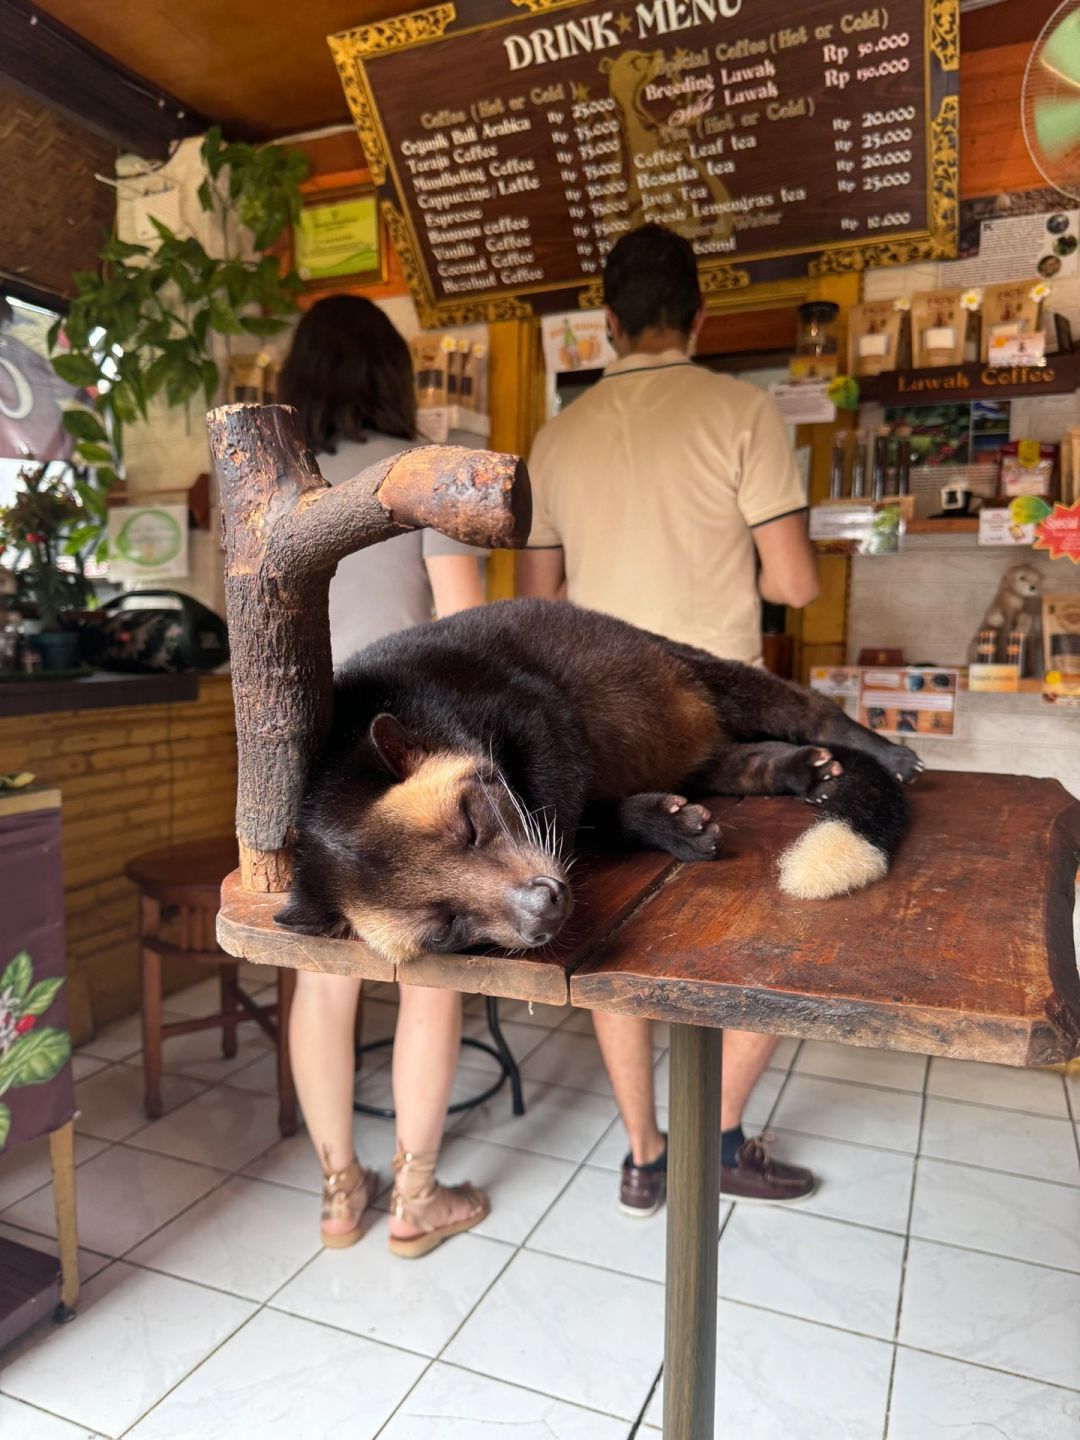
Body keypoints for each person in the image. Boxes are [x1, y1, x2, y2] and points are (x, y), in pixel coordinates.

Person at [518, 224, 819, 1214]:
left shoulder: (557, 438)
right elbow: (796, 584)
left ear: (605, 323)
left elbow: (537, 604)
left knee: (620, 938)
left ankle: (645, 1154)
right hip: (718, 717)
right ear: (700, 316)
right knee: (772, 921)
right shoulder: (744, 410)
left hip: (603, 722)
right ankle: (721, 1136)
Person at [279, 294, 488, 1255]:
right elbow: (463, 634)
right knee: (427, 971)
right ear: (392, 375)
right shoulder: (423, 476)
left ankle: (336, 1196)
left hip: (297, 758)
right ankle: (414, 1198)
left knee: (322, 978)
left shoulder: (276, 489)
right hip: (402, 753)